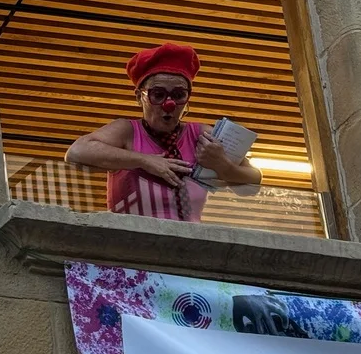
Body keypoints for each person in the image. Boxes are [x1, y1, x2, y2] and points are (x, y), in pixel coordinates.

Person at [65, 43, 261, 222]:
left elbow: (254, 180)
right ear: (139, 97)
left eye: (178, 95)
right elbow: (77, 152)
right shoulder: (127, 131)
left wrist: (222, 165)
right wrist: (145, 160)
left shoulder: (200, 134)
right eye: (158, 94)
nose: (169, 104)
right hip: (133, 241)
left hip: (190, 242)